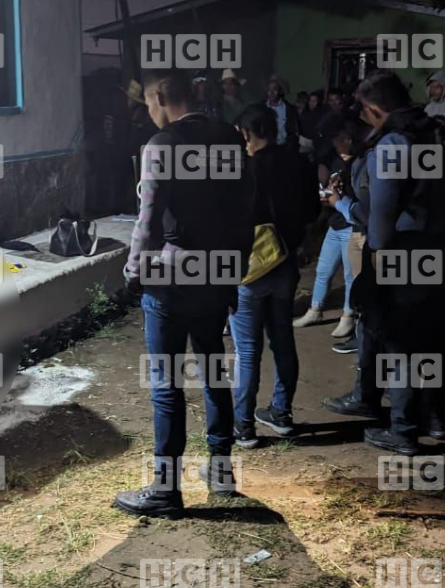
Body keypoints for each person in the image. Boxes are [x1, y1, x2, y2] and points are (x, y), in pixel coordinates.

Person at [114, 70, 256, 517]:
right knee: (213, 371)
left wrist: (133, 270)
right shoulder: (229, 138)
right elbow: (245, 211)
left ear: (159, 98)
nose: (148, 114)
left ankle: (165, 491)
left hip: (171, 278)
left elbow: (149, 218)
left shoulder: (161, 145)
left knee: (167, 384)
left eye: (148, 105)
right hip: (217, 275)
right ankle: (221, 471)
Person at [322, 72, 445, 452]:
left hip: (411, 254)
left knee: (404, 342)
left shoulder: (393, 145)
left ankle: (403, 430)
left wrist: (355, 222)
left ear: (374, 108)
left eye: (364, 112)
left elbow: (380, 225)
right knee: (441, 337)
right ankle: (438, 419)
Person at [229, 105, 319, 447]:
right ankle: (282, 413)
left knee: (247, 350)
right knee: (283, 339)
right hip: (285, 263)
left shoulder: (244, 170)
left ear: (245, 133)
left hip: (250, 266)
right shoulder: (299, 163)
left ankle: (243, 426)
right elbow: (312, 209)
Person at [295, 121, 363, 337]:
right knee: (323, 270)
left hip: (352, 225)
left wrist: (339, 199)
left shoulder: (361, 163)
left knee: (350, 275)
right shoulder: (335, 160)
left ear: (348, 140)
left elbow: (361, 200)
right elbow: (328, 184)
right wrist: (327, 191)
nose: (334, 144)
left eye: (338, 140)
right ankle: (315, 310)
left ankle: (348, 316)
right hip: (335, 223)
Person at [265, 75, 301, 151]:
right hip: (266, 148)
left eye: (274, 89)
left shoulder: (289, 109)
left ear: (280, 91)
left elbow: (294, 132)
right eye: (269, 90)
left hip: (284, 148)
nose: (271, 93)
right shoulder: (262, 108)